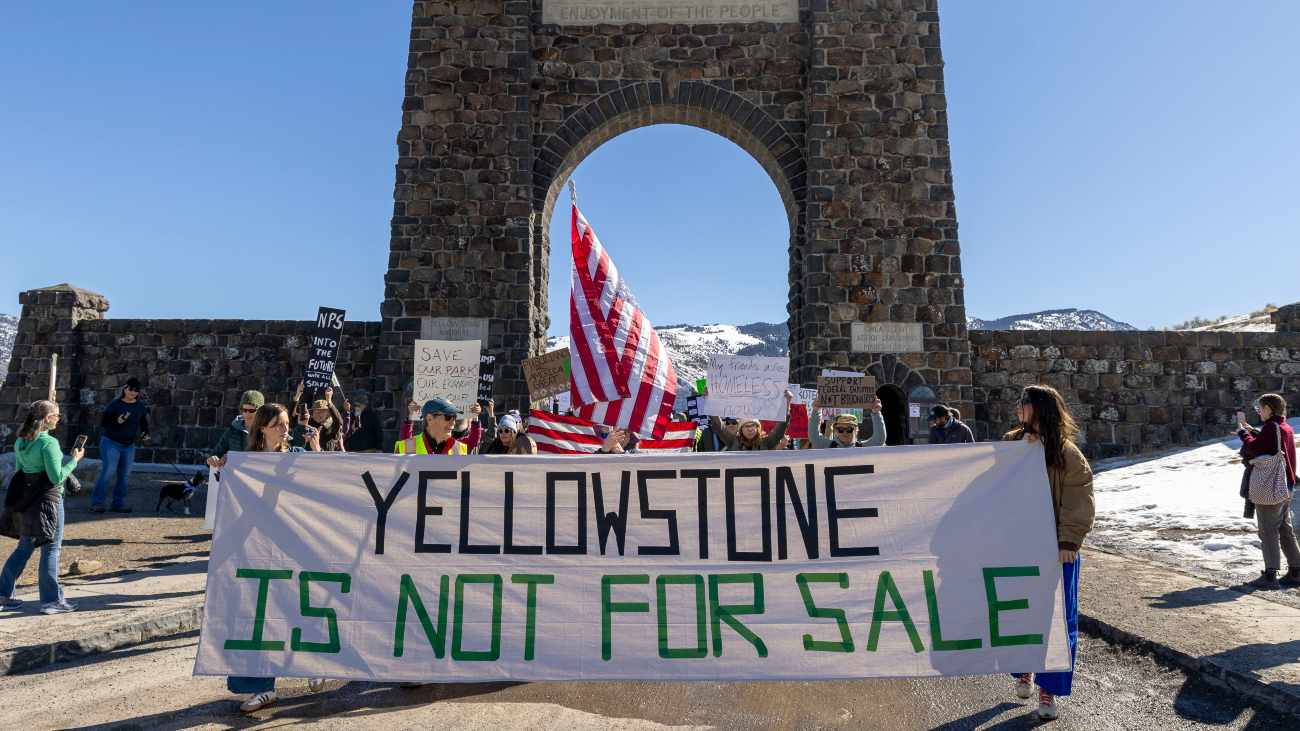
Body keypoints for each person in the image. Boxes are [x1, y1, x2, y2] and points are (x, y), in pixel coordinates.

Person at [210, 403, 329, 713]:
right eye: (277, 424)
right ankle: (262, 687)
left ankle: (313, 663)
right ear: (262, 428)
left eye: (286, 423)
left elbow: (327, 481)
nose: (284, 429)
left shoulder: (298, 455)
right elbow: (228, 496)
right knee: (258, 616)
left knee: (299, 607)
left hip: (293, 545)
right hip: (256, 548)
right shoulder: (245, 462)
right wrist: (219, 469)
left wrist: (317, 449)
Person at [1003, 384, 1094, 721]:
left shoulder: (1067, 453)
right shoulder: (1010, 444)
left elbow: (1079, 499)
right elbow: (993, 486)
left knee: (1057, 619)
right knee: (1019, 613)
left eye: (1023, 402)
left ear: (1039, 408)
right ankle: (1024, 670)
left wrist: (1069, 542)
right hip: (1018, 548)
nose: (1018, 407)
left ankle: (1048, 689)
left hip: (1056, 552)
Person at [0, 400, 84, 614]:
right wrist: (74, 461)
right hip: (49, 501)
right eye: (57, 415)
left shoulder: (22, 440)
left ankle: (3, 594)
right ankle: (51, 601)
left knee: (24, 548)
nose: (59, 419)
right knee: (51, 548)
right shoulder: (49, 443)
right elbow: (57, 477)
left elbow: (20, 471)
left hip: (28, 500)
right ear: (47, 418)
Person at [1237, 394, 1299, 589]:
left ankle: (1270, 576)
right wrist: (1253, 431)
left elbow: (1253, 449)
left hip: (1270, 486)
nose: (1259, 412)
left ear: (1269, 409)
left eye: (1260, 408)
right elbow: (1271, 445)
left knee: (1268, 530)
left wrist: (1243, 433)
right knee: (1284, 529)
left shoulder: (1271, 427)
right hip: (1286, 485)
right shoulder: (1284, 426)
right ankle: (1296, 571)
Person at [90, 377, 151, 513]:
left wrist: (146, 435)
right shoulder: (115, 405)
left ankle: (118, 503)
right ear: (125, 388)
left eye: (136, 391)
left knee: (124, 475)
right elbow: (104, 423)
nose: (133, 393)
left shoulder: (139, 406)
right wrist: (117, 421)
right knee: (108, 471)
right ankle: (97, 503)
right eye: (130, 389)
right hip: (111, 442)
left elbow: (143, 423)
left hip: (128, 445)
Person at [707, 390, 794, 451]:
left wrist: (787, 403)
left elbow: (781, 428)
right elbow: (719, 427)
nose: (750, 429)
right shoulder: (732, 441)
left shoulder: (767, 442)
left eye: (753, 425)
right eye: (746, 426)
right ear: (741, 430)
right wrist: (710, 400)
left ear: (758, 428)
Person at [394, 398, 469, 455]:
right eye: (448, 417)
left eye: (454, 417)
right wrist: (410, 417)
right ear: (429, 419)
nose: (453, 422)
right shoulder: (407, 446)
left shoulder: (460, 449)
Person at [208, 391, 264, 464]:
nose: (247, 413)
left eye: (252, 410)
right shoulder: (232, 430)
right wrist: (211, 459)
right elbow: (216, 454)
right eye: (244, 410)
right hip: (236, 471)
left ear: (260, 412)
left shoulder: (267, 431)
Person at [808, 397, 887, 448]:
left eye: (849, 429)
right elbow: (814, 437)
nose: (845, 432)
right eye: (840, 429)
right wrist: (816, 411)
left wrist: (876, 413)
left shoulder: (861, 447)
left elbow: (879, 440)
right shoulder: (829, 446)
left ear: (856, 430)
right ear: (835, 431)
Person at [289, 383, 346, 452]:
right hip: (305, 457)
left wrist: (329, 402)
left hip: (326, 458)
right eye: (316, 411)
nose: (318, 413)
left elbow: (338, 421)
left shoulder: (331, 427)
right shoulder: (307, 423)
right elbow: (291, 419)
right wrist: (298, 395)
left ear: (328, 414)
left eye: (322, 411)